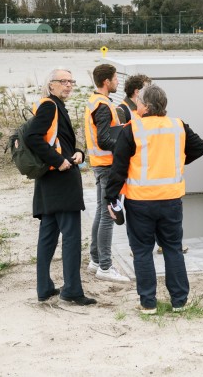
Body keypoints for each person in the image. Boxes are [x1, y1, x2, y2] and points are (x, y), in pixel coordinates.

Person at [104, 84, 203, 314]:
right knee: (173, 249)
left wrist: (111, 199)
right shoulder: (178, 125)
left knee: (142, 252)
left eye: (139, 102)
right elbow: (200, 147)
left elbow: (118, 169)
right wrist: (176, 162)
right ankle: (179, 301)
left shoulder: (132, 129)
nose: (136, 105)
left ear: (146, 106)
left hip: (140, 201)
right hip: (171, 200)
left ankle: (148, 303)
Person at [26, 68, 96, 305]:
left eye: (71, 81)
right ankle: (72, 290)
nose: (68, 85)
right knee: (71, 238)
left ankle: (44, 288)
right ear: (51, 84)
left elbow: (60, 141)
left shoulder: (54, 106)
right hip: (61, 181)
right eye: (63, 81)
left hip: (48, 182)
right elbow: (33, 137)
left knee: (47, 237)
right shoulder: (50, 106)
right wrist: (59, 161)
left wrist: (78, 152)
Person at [84, 63, 128, 283]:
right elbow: (103, 139)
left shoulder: (95, 101)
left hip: (100, 165)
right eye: (115, 78)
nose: (118, 82)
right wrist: (123, 146)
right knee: (109, 216)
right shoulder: (102, 105)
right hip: (108, 166)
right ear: (106, 81)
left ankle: (95, 260)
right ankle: (105, 266)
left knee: (102, 213)